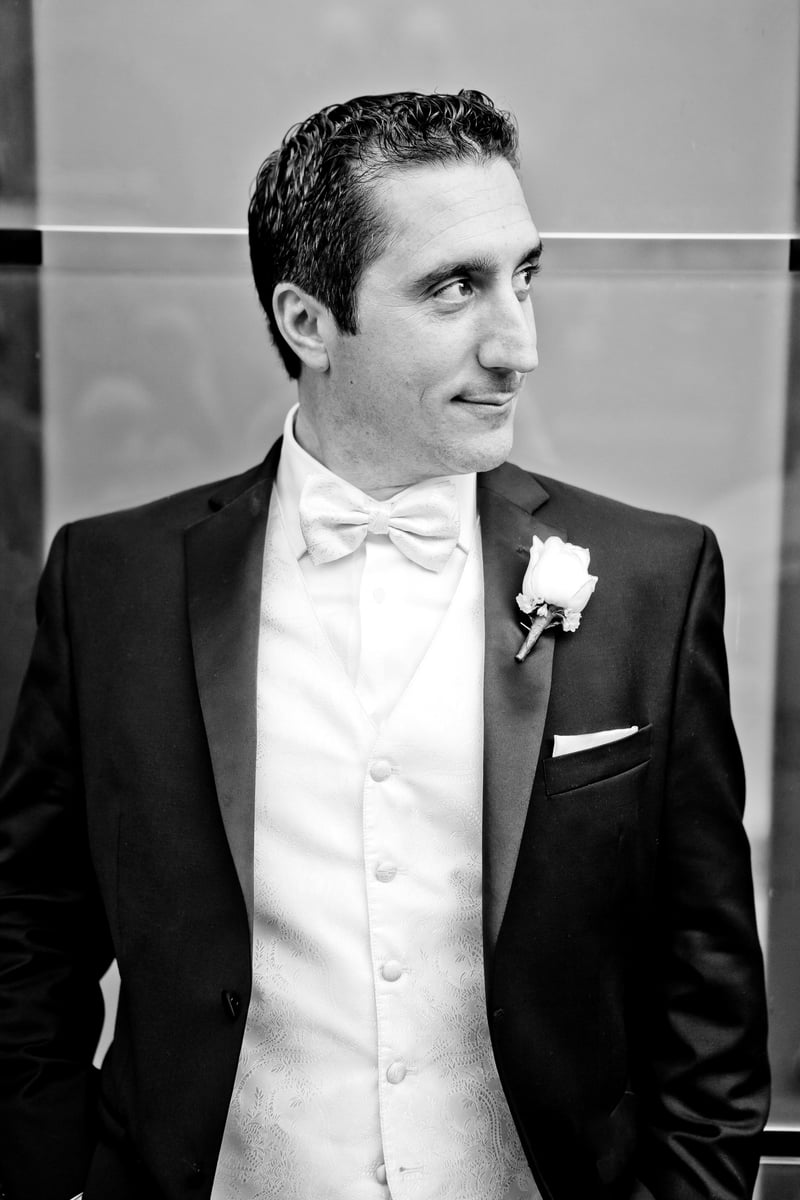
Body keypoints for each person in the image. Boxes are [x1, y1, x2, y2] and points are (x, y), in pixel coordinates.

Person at [0, 89, 769, 1200]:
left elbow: (705, 984)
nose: (518, 346)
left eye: (522, 277)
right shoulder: (112, 584)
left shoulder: (653, 578)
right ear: (308, 322)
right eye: (453, 289)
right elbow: (29, 933)